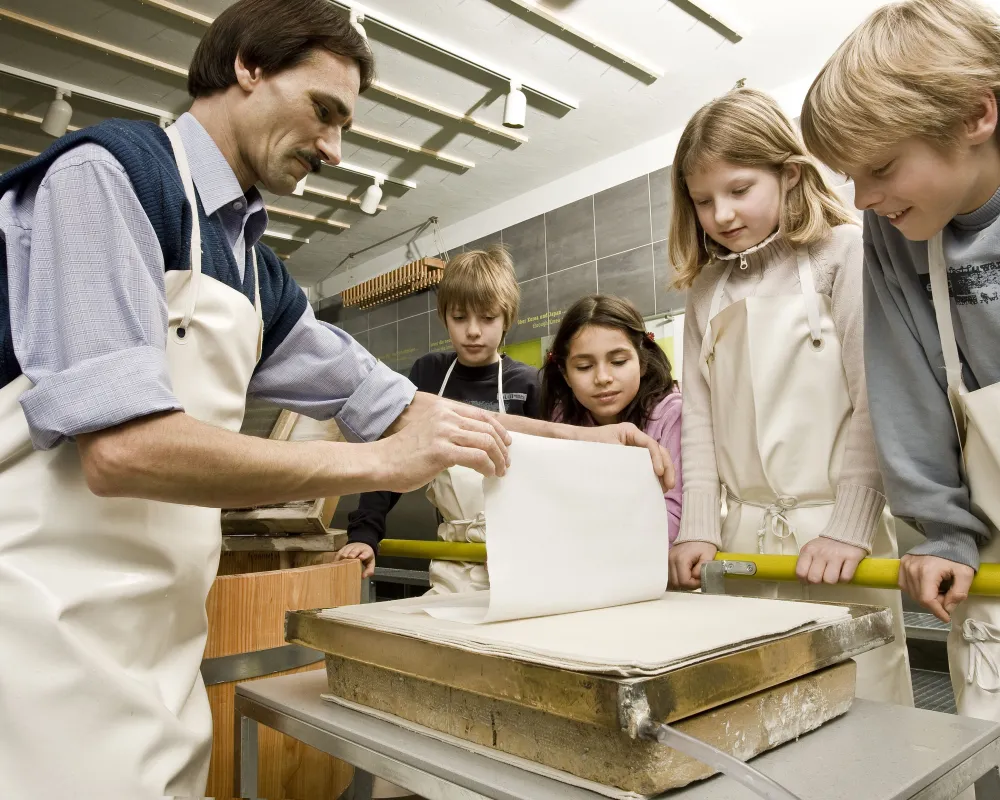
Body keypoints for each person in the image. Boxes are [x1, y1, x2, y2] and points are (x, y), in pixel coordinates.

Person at [0, 0, 674, 795]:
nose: (334, 147)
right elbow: (122, 451)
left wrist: (590, 442)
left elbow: (403, 407)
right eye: (324, 112)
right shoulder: (110, 175)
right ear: (247, 66)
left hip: (162, 632)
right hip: (46, 624)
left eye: (346, 125)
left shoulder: (257, 271)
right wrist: (376, 460)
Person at [666, 87, 913, 705]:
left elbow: (872, 397)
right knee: (762, 712)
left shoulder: (844, 252)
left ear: (790, 173)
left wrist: (850, 527)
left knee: (864, 713)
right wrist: (699, 529)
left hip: (837, 537)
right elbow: (699, 420)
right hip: (746, 542)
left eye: (739, 189)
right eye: (703, 200)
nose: (721, 214)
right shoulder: (705, 292)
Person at [801, 0, 1000, 720]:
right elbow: (904, 385)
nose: (861, 198)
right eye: (850, 176)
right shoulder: (893, 237)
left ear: (976, 115)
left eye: (880, 167)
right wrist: (945, 531)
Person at [338, 245, 542, 592]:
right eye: (459, 318)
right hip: (449, 552)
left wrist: (525, 543)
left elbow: (541, 482)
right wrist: (366, 534)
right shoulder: (430, 374)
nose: (473, 331)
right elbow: (395, 456)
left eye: (487, 318)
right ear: (444, 317)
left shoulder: (528, 383)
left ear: (507, 318)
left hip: (514, 552)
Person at [541, 294, 682, 541]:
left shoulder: (671, 414)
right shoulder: (561, 418)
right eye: (584, 367)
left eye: (618, 361)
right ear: (565, 374)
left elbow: (673, 515)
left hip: (651, 563)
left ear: (643, 362)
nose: (603, 377)